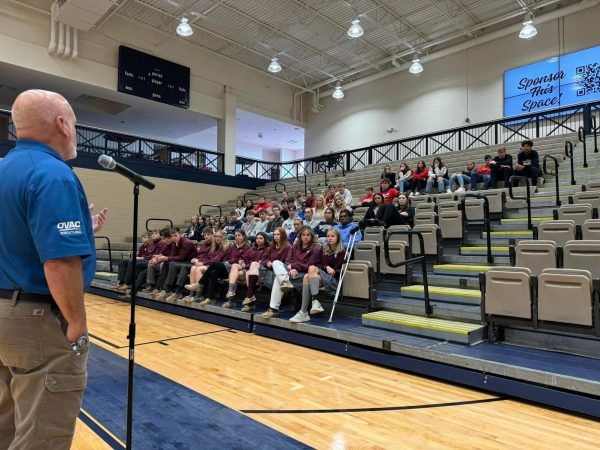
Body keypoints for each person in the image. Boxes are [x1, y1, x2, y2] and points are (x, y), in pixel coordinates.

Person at [0, 89, 108, 449]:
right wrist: (76, 324)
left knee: (7, 425)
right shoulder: (54, 175)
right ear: (62, 124)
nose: (75, 131)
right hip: (37, 320)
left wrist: (81, 230)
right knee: (40, 435)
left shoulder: (4, 169)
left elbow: (17, 234)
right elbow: (60, 260)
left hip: (3, 314)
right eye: (75, 123)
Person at [260, 226, 321, 319]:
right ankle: (285, 282)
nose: (305, 237)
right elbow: (288, 261)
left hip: (304, 275)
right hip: (291, 273)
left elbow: (310, 265)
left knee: (278, 278)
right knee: (276, 262)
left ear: (311, 236)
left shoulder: (316, 248)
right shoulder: (295, 246)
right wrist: (291, 268)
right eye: (303, 235)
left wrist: (294, 266)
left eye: (308, 235)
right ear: (300, 236)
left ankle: (273, 309)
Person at [289, 229, 345, 323]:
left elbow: (339, 272)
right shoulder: (323, 249)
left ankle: (315, 301)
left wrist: (332, 270)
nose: (330, 238)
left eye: (332, 236)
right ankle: (304, 312)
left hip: (333, 280)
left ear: (338, 237)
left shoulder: (342, 252)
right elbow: (318, 264)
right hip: (322, 277)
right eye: (328, 236)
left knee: (311, 268)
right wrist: (326, 267)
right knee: (307, 277)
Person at [198, 229, 253, 306]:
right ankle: (210, 298)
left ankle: (200, 283)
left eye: (239, 235)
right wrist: (228, 260)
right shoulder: (232, 246)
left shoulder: (248, 248)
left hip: (238, 269)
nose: (237, 237)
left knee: (214, 264)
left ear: (244, 236)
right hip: (228, 267)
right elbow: (227, 257)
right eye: (236, 235)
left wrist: (230, 261)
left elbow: (242, 261)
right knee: (214, 272)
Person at [241, 227, 290, 312]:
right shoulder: (271, 247)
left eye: (278, 234)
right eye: (274, 234)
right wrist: (267, 262)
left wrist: (272, 263)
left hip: (279, 273)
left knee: (251, 270)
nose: (276, 236)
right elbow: (265, 259)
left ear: (283, 235)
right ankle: (250, 298)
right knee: (252, 266)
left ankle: (250, 300)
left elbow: (286, 262)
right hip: (269, 269)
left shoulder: (288, 247)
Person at [151, 228, 197, 301]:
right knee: (168, 263)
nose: (174, 238)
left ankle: (177, 292)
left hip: (190, 263)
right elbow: (173, 255)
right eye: (172, 236)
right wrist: (162, 257)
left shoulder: (187, 243)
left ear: (180, 234)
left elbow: (181, 258)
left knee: (172, 263)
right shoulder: (175, 243)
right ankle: (165, 290)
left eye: (176, 235)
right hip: (182, 262)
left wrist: (166, 258)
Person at [184, 230, 228, 302]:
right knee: (193, 268)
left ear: (223, 237)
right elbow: (208, 257)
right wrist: (197, 260)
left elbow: (217, 260)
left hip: (221, 267)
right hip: (211, 265)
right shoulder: (214, 246)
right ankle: (192, 295)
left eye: (220, 237)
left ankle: (199, 294)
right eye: (216, 236)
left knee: (198, 269)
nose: (217, 238)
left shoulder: (225, 247)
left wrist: (203, 263)